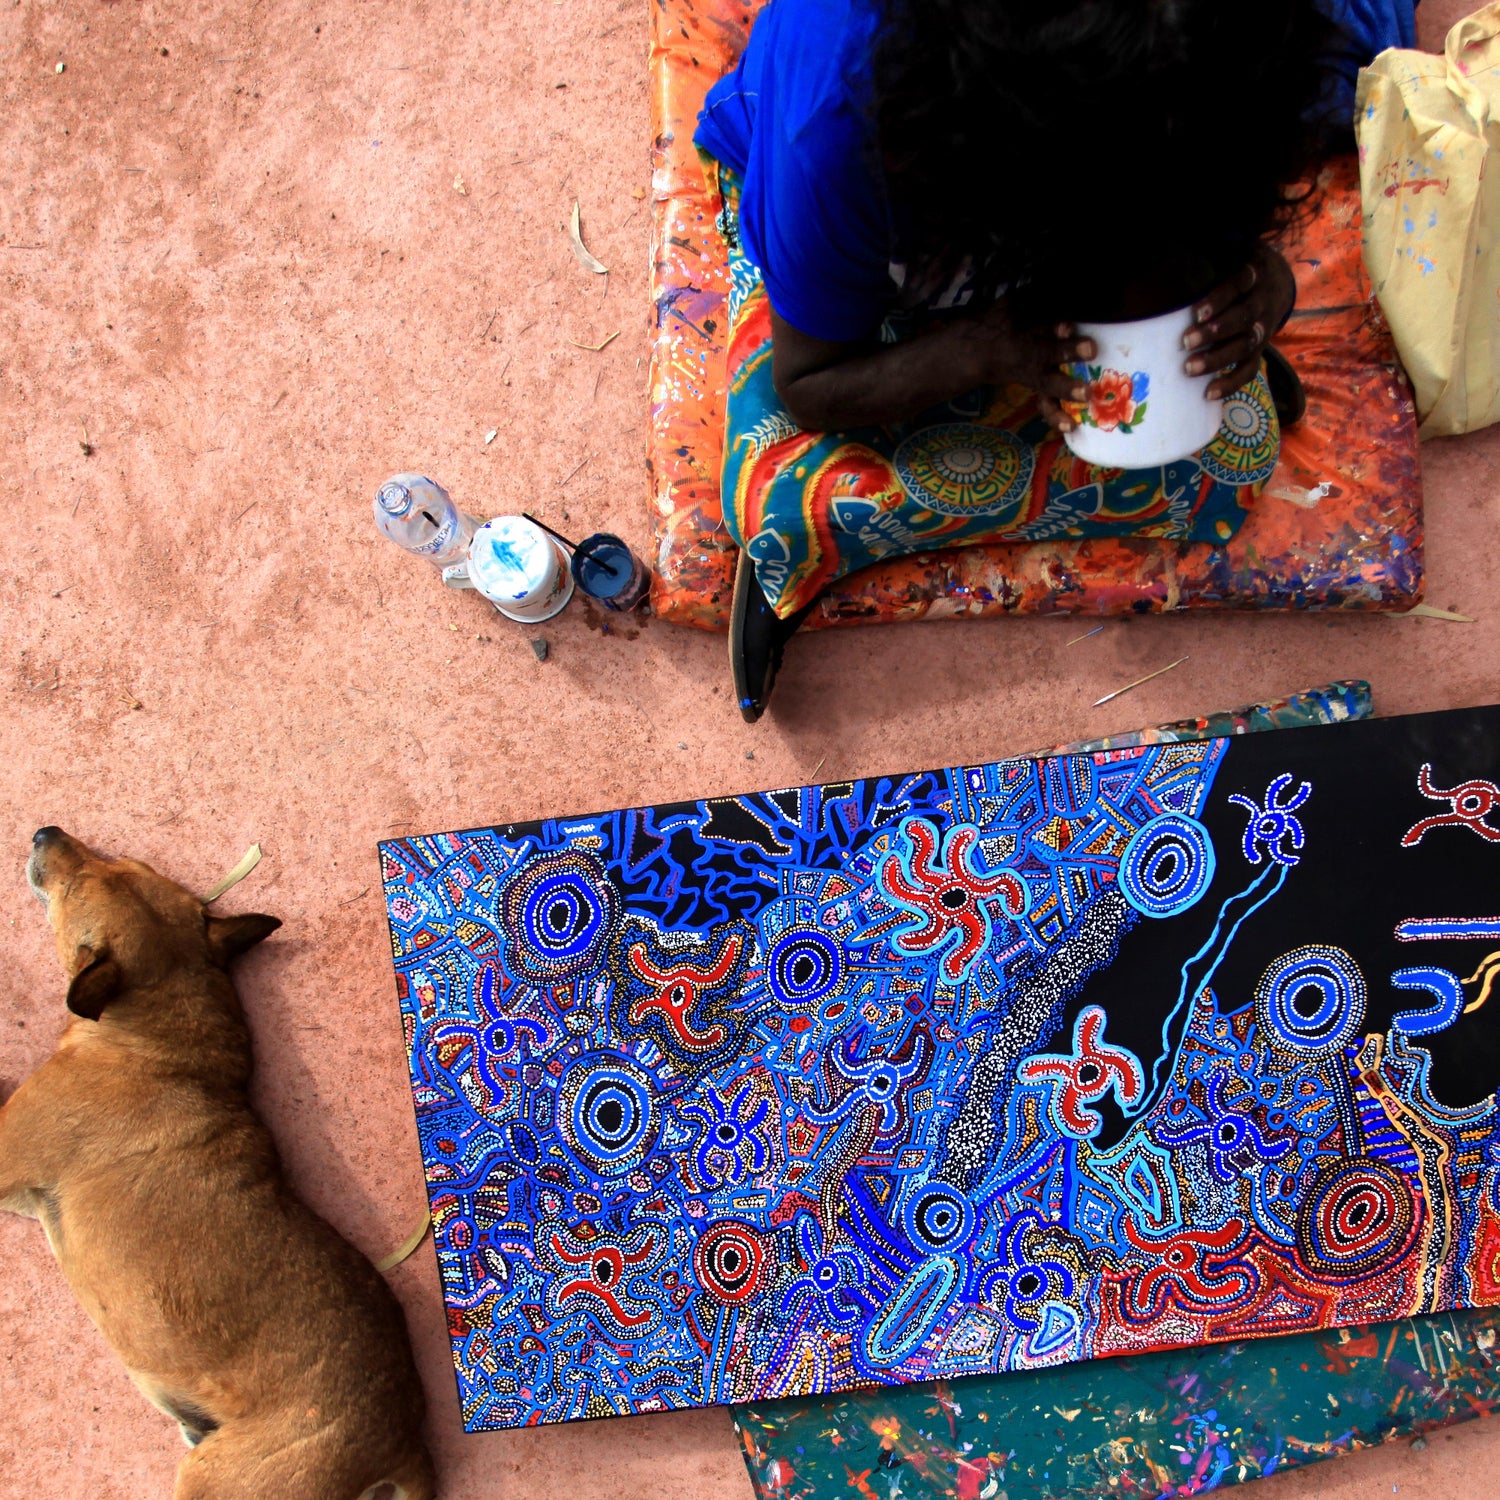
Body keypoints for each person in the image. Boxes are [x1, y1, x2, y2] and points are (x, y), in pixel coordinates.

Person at [696, 0, 1416, 722]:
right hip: (863, 279)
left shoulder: (1221, 57)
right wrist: (987, 348)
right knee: (790, 512)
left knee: (1235, 450)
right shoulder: (837, 135)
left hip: (1030, 208)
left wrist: (1257, 288)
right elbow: (811, 381)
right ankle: (795, 563)